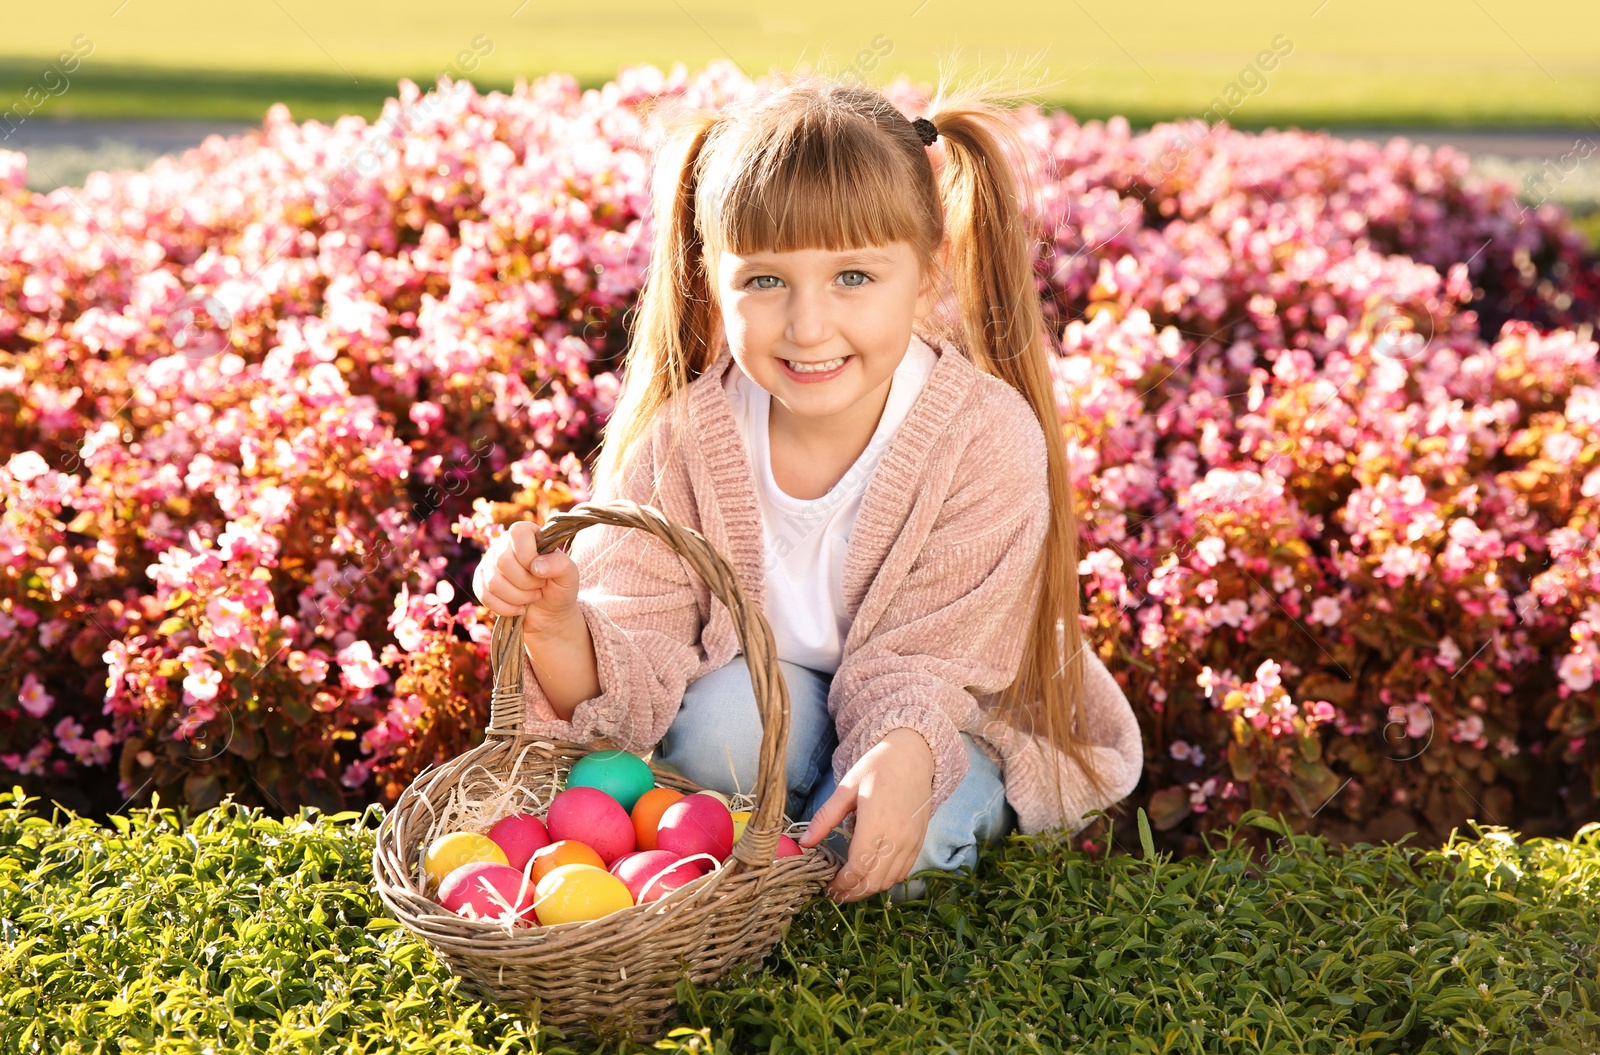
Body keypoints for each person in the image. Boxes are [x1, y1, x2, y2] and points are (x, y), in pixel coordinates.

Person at [472, 73, 1144, 904]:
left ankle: (843, 821)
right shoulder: (684, 441)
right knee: (711, 733)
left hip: (942, 717)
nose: (808, 325)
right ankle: (784, 837)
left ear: (929, 275)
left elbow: (929, 661)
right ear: (712, 279)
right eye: (765, 281)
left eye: (853, 277)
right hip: (770, 697)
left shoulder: (984, 438)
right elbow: (627, 690)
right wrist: (557, 624)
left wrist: (900, 754)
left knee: (913, 840)